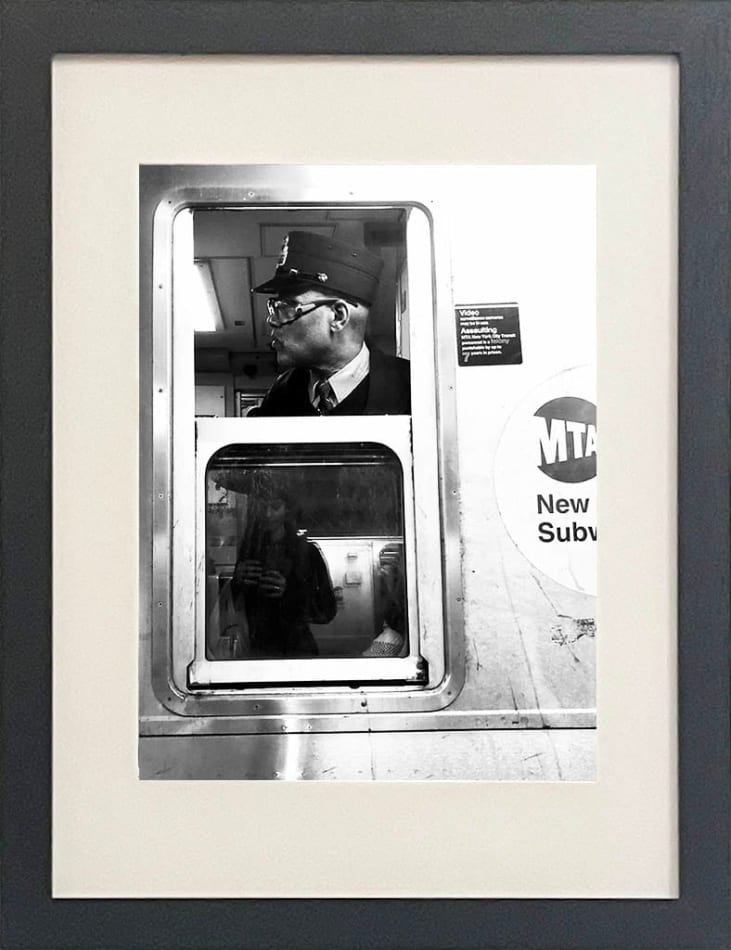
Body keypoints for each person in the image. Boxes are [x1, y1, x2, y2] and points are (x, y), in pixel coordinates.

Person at [249, 230, 411, 416]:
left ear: (338, 316)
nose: (272, 320)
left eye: (288, 308)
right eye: (274, 307)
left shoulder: (414, 387)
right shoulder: (280, 393)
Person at [222, 489, 337, 658]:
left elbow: (326, 610)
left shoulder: (307, 553)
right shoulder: (250, 551)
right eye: (262, 507)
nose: (267, 514)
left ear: (287, 511)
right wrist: (237, 583)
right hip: (257, 650)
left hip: (296, 649)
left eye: (275, 507)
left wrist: (290, 593)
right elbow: (234, 606)